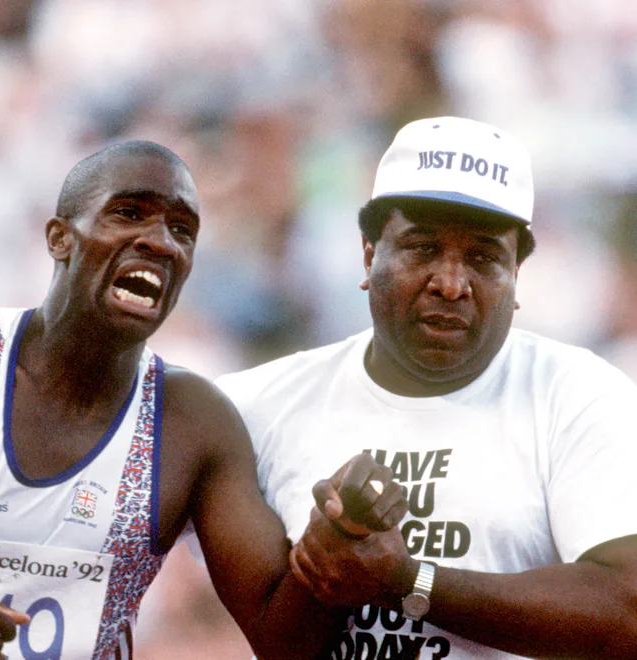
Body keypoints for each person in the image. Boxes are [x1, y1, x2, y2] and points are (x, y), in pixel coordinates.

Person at [0, 140, 407, 660]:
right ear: (59, 238)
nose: (161, 242)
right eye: (129, 213)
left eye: (183, 230)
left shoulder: (191, 422)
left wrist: (335, 539)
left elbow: (286, 644)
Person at [216, 117, 637, 659]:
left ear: (517, 275)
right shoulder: (258, 404)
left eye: (484, 258)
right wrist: (327, 557)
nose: (452, 283)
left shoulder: (579, 394)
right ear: (369, 254)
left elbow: (627, 611)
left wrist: (410, 582)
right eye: (422, 248)